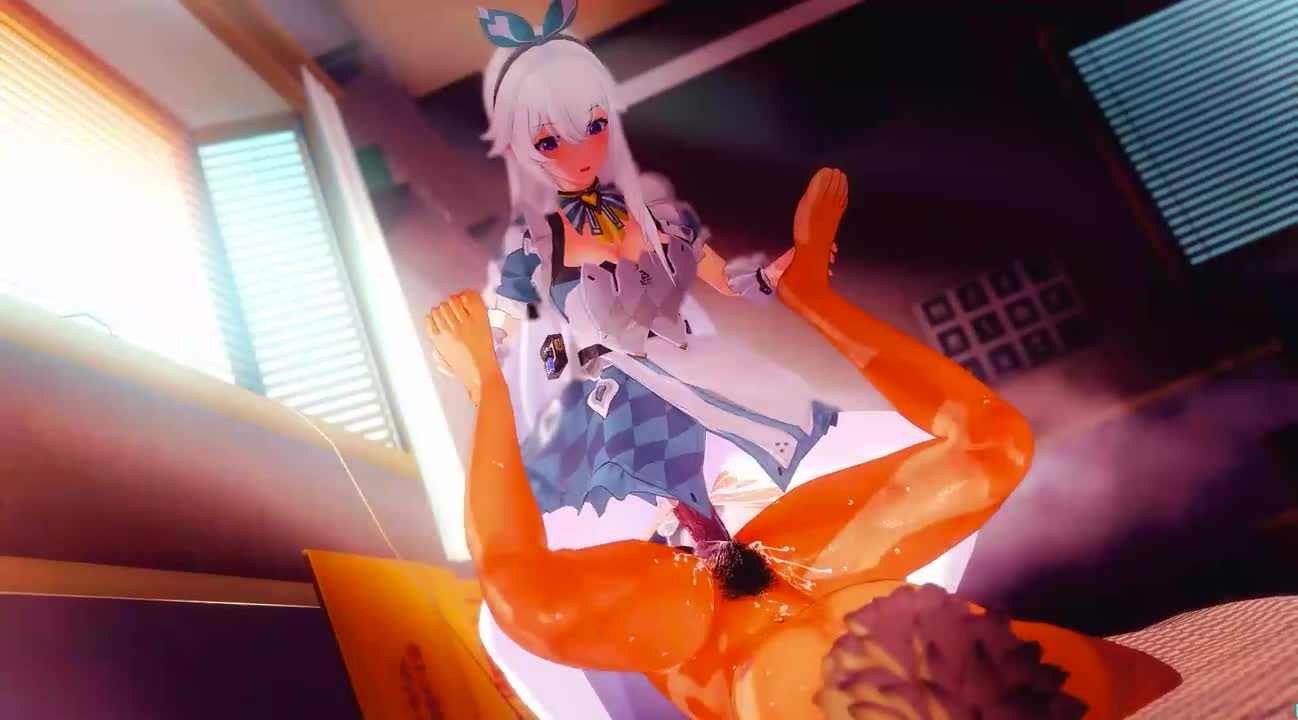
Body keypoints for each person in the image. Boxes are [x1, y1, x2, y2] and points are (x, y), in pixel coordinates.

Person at [427, 167, 1181, 719]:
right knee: (995, 449)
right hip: (822, 580)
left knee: (534, 604)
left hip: (706, 628)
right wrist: (809, 297)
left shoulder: (672, 615)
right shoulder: (1107, 683)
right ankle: (805, 297)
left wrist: (483, 382)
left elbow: (519, 585)